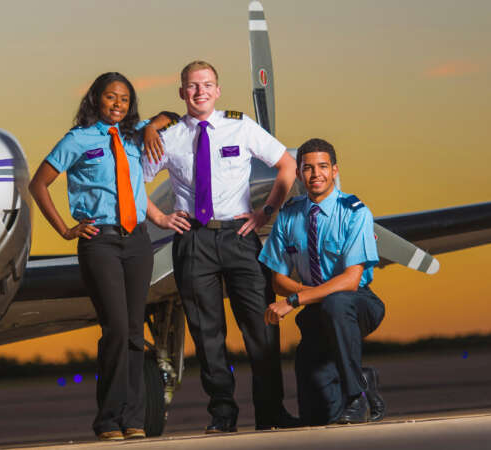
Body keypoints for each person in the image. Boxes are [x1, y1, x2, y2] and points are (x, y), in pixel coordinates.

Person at [28, 72, 185, 441]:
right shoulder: (78, 139)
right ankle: (108, 419)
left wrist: (150, 129)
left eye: (125, 100)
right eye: (111, 97)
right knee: (115, 328)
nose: (118, 104)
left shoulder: (134, 134)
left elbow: (170, 116)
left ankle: (134, 418)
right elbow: (39, 184)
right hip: (100, 242)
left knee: (133, 330)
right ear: (96, 99)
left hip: (137, 242)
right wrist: (66, 230)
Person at [143, 61, 298, 432]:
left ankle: (271, 412)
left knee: (262, 327)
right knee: (207, 334)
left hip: (240, 236)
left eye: (207, 85)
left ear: (218, 90)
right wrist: (160, 218)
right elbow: (133, 183)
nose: (200, 92)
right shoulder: (168, 137)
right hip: (192, 240)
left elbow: (286, 165)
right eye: (193, 86)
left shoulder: (240, 125)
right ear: (182, 92)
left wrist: (266, 212)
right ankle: (223, 415)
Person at [258, 138, 386, 425]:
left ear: (335, 170)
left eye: (323, 167)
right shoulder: (289, 215)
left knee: (336, 303)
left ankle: (357, 396)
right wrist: (306, 294)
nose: (316, 174)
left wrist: (294, 300)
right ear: (299, 174)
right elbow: (278, 279)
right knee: (319, 417)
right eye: (308, 168)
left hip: (358, 304)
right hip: (316, 312)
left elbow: (351, 280)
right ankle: (364, 379)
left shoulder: (355, 212)